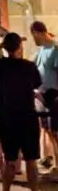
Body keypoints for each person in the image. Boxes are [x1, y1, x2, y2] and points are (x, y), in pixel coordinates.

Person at [0, 31, 46, 191]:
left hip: (6, 115)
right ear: (19, 46)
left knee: (10, 158)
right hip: (27, 115)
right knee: (31, 159)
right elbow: (36, 83)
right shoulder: (28, 67)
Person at [29, 20, 58, 167]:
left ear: (39, 32)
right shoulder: (40, 51)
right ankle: (48, 158)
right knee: (45, 128)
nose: (33, 39)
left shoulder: (55, 49)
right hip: (42, 94)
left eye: (34, 36)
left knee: (55, 130)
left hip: (54, 94)